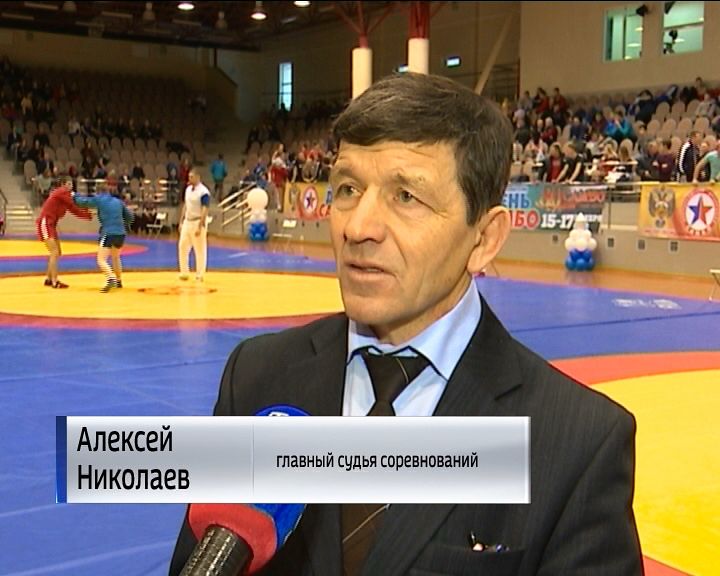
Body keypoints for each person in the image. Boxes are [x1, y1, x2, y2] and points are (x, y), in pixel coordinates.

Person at [169, 73, 642, 575]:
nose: (358, 227)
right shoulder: (256, 379)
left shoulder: (577, 443)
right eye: (348, 189)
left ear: (484, 239)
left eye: (407, 197)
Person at [73, 186, 134, 292]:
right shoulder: (118, 201)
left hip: (109, 232)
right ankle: (118, 281)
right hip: (120, 233)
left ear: (98, 192)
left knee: (101, 259)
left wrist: (74, 195)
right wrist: (122, 224)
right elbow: (130, 217)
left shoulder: (99, 199)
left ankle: (111, 278)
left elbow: (83, 202)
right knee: (116, 257)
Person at [36, 175, 92, 289]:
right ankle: (54, 281)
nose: (71, 186)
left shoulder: (65, 198)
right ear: (62, 185)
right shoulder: (60, 192)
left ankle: (49, 279)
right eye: (69, 184)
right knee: (54, 252)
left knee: (57, 252)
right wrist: (89, 204)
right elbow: (74, 201)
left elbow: (74, 210)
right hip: (46, 222)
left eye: (72, 184)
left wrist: (88, 216)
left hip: (51, 224)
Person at [177, 168, 210, 282]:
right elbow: (185, 205)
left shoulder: (204, 192)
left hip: (197, 220)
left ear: (198, 177)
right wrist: (181, 221)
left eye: (191, 177)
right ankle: (184, 272)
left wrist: (200, 225)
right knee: (182, 246)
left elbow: (205, 209)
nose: (189, 179)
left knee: (199, 249)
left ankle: (200, 274)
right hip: (188, 221)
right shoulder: (187, 190)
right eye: (189, 177)